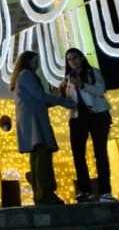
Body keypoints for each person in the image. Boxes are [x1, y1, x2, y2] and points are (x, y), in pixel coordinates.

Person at [9, 50, 76, 206]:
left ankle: (40, 189)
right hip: (34, 121)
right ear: (28, 61)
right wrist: (63, 101)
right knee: (42, 154)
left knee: (37, 154)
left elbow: (39, 99)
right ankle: (44, 192)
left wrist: (57, 100)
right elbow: (40, 96)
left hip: (31, 120)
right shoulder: (27, 75)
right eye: (35, 61)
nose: (37, 64)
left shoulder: (22, 77)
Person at [59, 48, 115, 202]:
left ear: (82, 58)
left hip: (96, 114)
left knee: (100, 153)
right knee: (78, 154)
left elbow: (100, 90)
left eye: (75, 58)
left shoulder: (92, 72)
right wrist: (62, 92)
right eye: (69, 59)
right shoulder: (68, 78)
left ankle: (105, 191)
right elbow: (69, 100)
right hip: (77, 116)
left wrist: (82, 85)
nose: (72, 61)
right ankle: (85, 190)